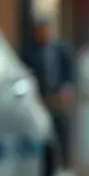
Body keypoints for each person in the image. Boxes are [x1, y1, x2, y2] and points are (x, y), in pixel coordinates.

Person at [20, 18, 75, 162]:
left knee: (61, 127)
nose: (44, 34)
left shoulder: (61, 49)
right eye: (40, 31)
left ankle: (63, 158)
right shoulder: (28, 52)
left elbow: (70, 72)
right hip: (39, 98)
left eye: (46, 30)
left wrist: (66, 88)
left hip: (58, 97)